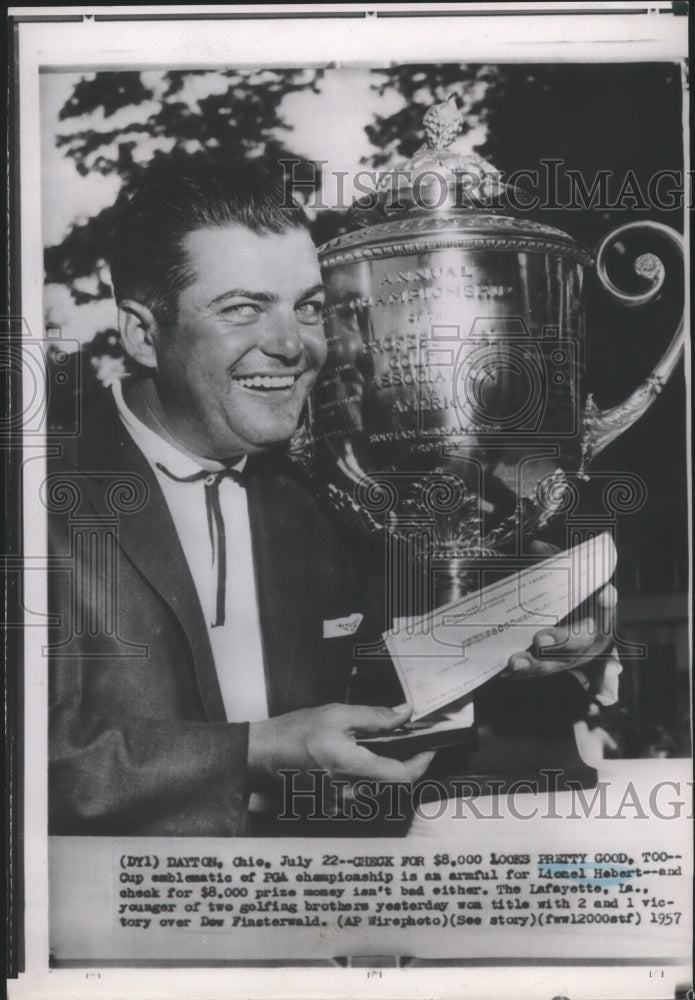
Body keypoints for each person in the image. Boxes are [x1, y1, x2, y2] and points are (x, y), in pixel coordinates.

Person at [47, 161, 619, 836]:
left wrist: (541, 639)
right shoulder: (35, 497)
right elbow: (29, 757)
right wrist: (257, 754)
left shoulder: (337, 492)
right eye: (242, 309)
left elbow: (413, 711)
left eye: (308, 307)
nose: (292, 345)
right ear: (144, 334)